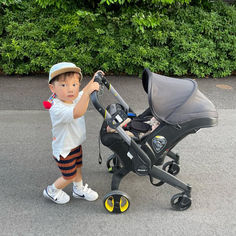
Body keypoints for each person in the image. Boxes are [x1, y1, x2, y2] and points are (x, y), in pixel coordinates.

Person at [43, 62, 102, 204]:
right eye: (64, 85)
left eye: (74, 85)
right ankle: (51, 191)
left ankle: (78, 189)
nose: (70, 89)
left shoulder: (72, 97)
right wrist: (87, 94)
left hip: (74, 144)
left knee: (78, 167)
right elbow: (77, 112)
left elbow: (82, 94)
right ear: (53, 88)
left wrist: (94, 79)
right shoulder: (57, 108)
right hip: (64, 150)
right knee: (69, 175)